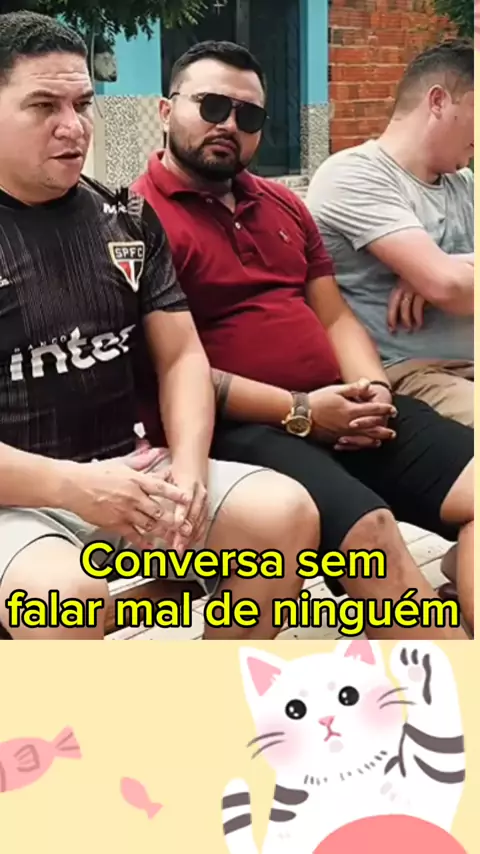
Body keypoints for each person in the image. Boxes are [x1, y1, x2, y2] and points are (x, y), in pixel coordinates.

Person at [133, 40, 474, 639]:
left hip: (342, 407)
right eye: (212, 106)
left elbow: (335, 316)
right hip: (241, 428)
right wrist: (300, 410)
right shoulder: (136, 220)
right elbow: (167, 366)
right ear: (166, 110)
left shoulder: (284, 204)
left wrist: (371, 389)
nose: (229, 125)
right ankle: (444, 677)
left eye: (248, 115)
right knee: (370, 536)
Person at [0, 12, 321, 642]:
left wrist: (190, 473)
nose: (73, 127)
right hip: (18, 493)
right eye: (42, 106)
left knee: (283, 517)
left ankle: (209, 692)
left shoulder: (125, 218)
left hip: (133, 466)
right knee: (65, 598)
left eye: (82, 103)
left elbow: (181, 358)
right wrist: (75, 486)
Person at [306, 39, 474, 428]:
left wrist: (447, 265)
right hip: (414, 375)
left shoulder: (462, 182)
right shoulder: (354, 174)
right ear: (438, 102)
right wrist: (441, 277)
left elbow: (447, 280)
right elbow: (450, 287)